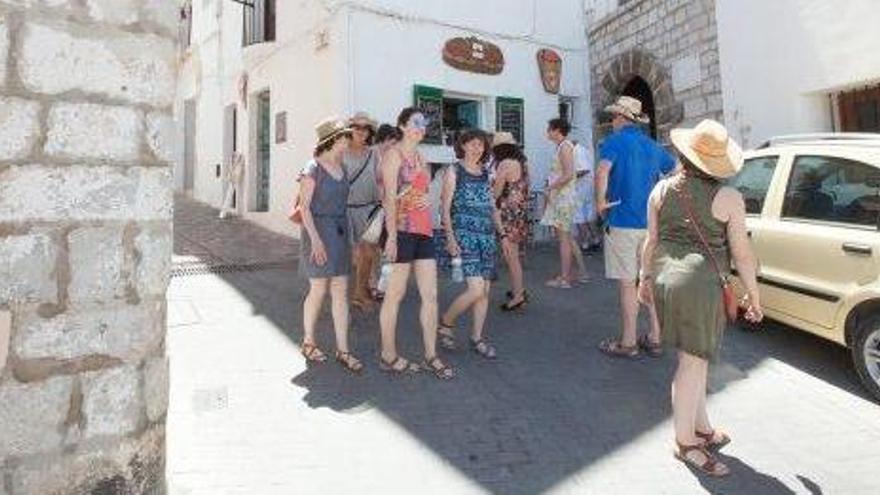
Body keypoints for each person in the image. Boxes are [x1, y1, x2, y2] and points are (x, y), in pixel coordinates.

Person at [638, 119, 762, 477]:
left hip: (665, 277)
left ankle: (702, 427)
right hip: (700, 285)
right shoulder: (729, 197)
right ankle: (686, 443)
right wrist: (753, 296)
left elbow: (652, 241)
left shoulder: (660, 190)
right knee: (692, 363)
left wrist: (644, 278)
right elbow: (742, 253)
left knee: (697, 356)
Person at [596, 96, 676, 358]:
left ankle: (628, 341)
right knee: (648, 279)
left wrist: (600, 202)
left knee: (628, 283)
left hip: (621, 220)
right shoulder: (652, 145)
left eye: (613, 117)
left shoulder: (614, 141)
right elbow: (675, 169)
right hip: (650, 224)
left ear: (621, 118)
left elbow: (602, 171)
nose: (612, 122)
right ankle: (655, 336)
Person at [379, 107, 455, 379]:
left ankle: (431, 355)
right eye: (415, 123)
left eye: (423, 124)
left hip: (423, 230)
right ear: (401, 126)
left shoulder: (421, 157)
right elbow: (388, 198)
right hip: (400, 231)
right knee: (395, 295)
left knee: (431, 296)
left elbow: (421, 192)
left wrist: (426, 200)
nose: (420, 128)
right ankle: (388, 355)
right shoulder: (393, 155)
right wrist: (391, 237)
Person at [298, 117, 363, 373]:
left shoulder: (343, 168)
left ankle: (343, 349)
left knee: (340, 289)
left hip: (338, 231)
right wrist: (315, 240)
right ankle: (309, 341)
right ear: (333, 139)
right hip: (317, 231)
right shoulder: (312, 167)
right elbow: (304, 208)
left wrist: (352, 237)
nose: (349, 140)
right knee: (318, 288)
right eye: (345, 136)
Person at [436, 130, 505, 359]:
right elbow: (444, 209)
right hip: (465, 235)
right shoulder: (453, 171)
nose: (478, 149)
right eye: (473, 144)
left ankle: (477, 337)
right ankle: (446, 322)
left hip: (486, 236)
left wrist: (502, 234)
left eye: (481, 145)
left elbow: (492, 206)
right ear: (463, 145)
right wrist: (451, 238)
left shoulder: (486, 173)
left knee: (484, 291)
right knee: (475, 289)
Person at [343, 112, 382, 311]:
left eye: (365, 128)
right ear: (350, 130)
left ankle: (359, 293)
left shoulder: (373, 153)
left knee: (367, 255)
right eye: (357, 127)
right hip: (344, 210)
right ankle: (355, 292)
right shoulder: (341, 151)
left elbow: (379, 179)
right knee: (355, 256)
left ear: (370, 132)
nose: (361, 131)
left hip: (368, 210)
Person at [491, 132, 530, 311]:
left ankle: (518, 296)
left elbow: (496, 192)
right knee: (515, 256)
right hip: (520, 213)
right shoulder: (522, 162)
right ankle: (518, 289)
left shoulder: (505, 164)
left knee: (511, 257)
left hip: (507, 215)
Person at [540, 118, 579, 289]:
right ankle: (567, 274)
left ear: (557, 130)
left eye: (549, 129)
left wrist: (550, 187)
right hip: (561, 197)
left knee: (563, 238)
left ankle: (565, 278)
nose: (547, 132)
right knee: (563, 237)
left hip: (563, 197)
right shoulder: (563, 146)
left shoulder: (565, 147)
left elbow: (569, 174)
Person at [219, 151, 245, 219]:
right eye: (234, 156)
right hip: (232, 180)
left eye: (235, 156)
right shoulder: (232, 162)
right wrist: (230, 177)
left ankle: (240, 211)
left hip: (236, 180)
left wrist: (235, 177)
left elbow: (239, 171)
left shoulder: (240, 162)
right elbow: (231, 170)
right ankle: (223, 212)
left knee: (239, 195)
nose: (234, 158)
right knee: (229, 196)